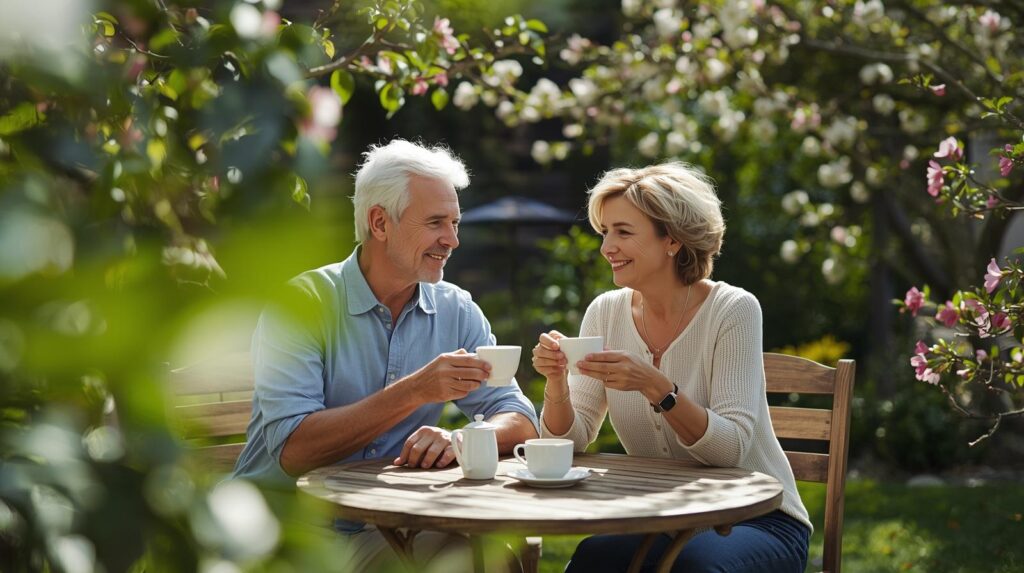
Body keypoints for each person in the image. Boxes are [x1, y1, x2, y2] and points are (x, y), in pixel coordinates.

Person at [233, 139, 539, 570]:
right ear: (380, 222)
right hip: (286, 531)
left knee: (489, 559)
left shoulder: (455, 309)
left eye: (455, 223)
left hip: (390, 525)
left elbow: (521, 418)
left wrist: (464, 437)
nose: (451, 240)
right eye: (436, 223)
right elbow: (295, 451)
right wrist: (415, 390)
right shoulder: (302, 304)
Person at [531, 162, 811, 573]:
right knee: (593, 560)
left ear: (673, 240)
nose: (607, 247)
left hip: (757, 518)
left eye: (623, 232)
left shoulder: (732, 310)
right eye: (604, 232)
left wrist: (656, 387)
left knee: (697, 568)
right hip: (662, 518)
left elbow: (730, 449)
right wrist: (557, 382)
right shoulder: (604, 313)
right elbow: (571, 444)